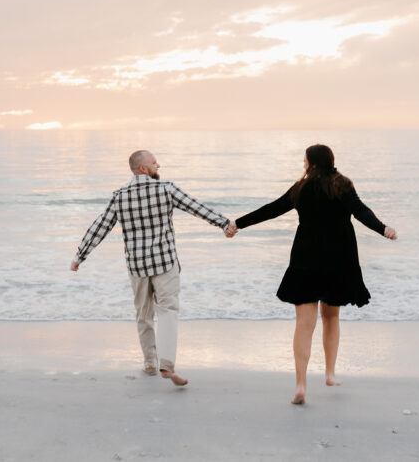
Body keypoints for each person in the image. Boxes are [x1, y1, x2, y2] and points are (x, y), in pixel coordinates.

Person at [234, 144, 397, 404]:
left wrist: (237, 224)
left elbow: (272, 209)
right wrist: (383, 228)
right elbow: (361, 211)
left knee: (304, 323)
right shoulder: (342, 184)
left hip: (306, 256)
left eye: (304, 160)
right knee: (331, 317)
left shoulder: (302, 187)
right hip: (339, 257)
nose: (302, 164)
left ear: (312, 163)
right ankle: (330, 374)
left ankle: (300, 384)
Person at [71, 150, 235, 386]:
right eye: (154, 163)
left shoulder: (120, 196)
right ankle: (166, 365)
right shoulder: (166, 188)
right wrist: (224, 223)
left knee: (143, 314)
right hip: (164, 262)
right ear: (143, 169)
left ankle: (149, 363)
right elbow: (195, 207)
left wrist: (80, 255)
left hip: (137, 266)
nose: (159, 165)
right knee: (168, 310)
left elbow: (100, 226)